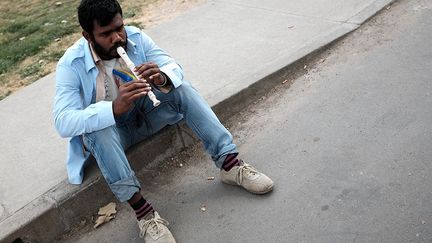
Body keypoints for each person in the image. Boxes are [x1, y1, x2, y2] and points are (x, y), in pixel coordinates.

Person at [53, 0, 274, 242]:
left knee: (181, 89)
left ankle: (230, 164)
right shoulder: (70, 64)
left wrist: (160, 77)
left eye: (119, 28)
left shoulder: (135, 36)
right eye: (106, 34)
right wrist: (113, 109)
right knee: (97, 130)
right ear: (88, 35)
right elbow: (63, 121)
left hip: (146, 115)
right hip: (115, 135)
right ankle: (145, 215)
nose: (117, 38)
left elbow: (174, 67)